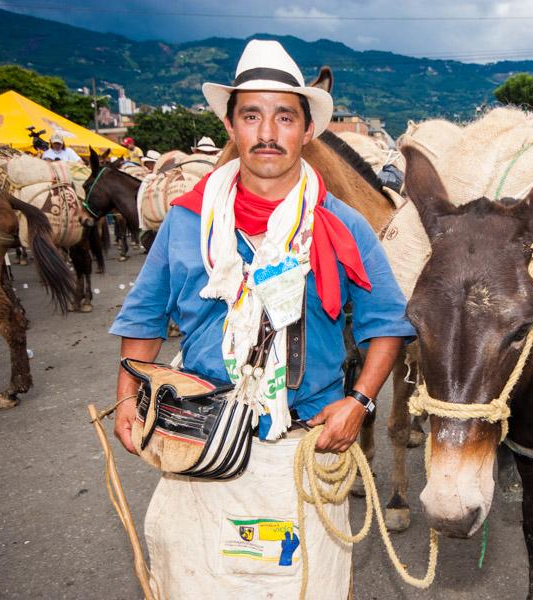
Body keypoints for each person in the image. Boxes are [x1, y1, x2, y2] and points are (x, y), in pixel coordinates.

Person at [109, 39, 414, 599]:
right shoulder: (186, 222)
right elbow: (145, 317)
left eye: (284, 116)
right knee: (198, 584)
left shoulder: (344, 225)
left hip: (306, 447)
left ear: (306, 130)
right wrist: (128, 398)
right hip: (199, 443)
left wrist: (362, 401)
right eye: (252, 115)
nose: (267, 132)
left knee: (308, 587)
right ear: (232, 125)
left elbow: (388, 323)